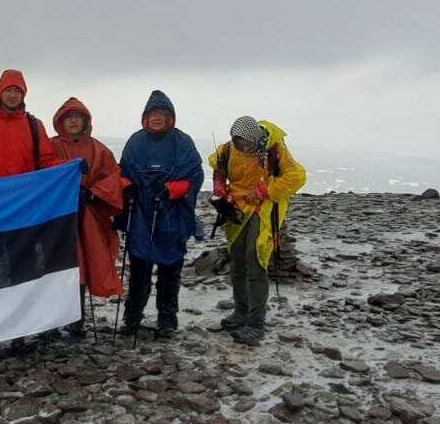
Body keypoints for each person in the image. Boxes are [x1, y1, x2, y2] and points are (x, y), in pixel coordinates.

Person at [210, 117, 306, 345]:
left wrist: (265, 190)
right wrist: (220, 190)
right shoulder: (227, 150)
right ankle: (240, 313)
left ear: (256, 138)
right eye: (239, 143)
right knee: (238, 262)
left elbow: (296, 176)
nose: (244, 147)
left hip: (263, 211)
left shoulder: (273, 149)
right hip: (237, 208)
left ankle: (256, 323)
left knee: (256, 262)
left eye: (248, 143)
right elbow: (218, 172)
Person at [117, 90, 202, 338]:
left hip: (171, 216)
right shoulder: (135, 142)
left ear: (170, 117)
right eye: (153, 113)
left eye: (162, 114)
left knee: (169, 271)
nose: (157, 118)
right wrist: (128, 187)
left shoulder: (183, 143)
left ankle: (167, 320)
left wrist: (170, 190)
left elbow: (194, 177)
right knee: (139, 271)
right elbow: (122, 173)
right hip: (142, 216)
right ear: (146, 116)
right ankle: (131, 318)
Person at [48, 97, 124, 334]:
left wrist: (92, 194)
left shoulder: (99, 149)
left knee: (81, 267)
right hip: (57, 217)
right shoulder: (50, 146)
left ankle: (76, 320)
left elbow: (113, 178)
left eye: (77, 118)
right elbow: (41, 172)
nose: (73, 121)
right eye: (69, 117)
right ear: (61, 121)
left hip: (87, 217)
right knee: (54, 268)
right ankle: (50, 323)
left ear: (85, 122)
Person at [0, 69, 63, 181]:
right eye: (8, 90)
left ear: (23, 95)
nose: (12, 95)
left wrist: (72, 165)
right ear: (0, 92)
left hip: (25, 193)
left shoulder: (35, 125)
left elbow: (47, 160)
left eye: (17, 91)